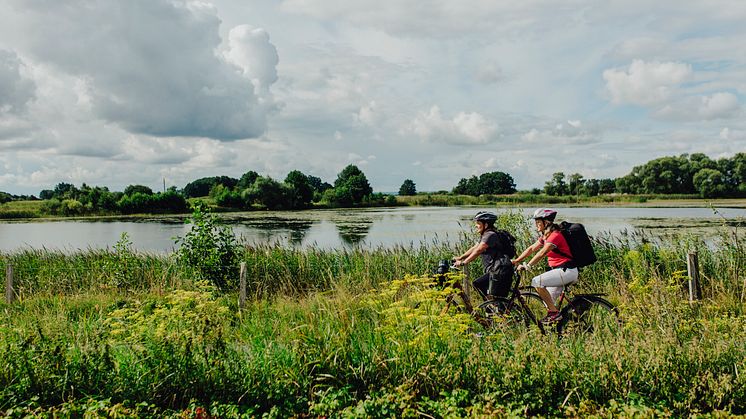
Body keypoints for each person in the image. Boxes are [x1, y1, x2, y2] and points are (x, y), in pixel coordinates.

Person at [511, 208, 578, 323]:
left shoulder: (555, 235)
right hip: (560, 272)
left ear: (546, 222)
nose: (536, 225)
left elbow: (542, 252)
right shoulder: (546, 236)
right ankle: (559, 325)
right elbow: (532, 248)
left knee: (537, 282)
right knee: (547, 302)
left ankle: (555, 314)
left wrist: (528, 265)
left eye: (538, 222)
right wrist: (516, 260)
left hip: (567, 271)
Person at [453, 211, 511, 299]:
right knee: (492, 294)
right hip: (495, 270)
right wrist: (461, 257)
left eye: (478, 223)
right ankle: (491, 306)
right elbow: (475, 248)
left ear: (486, 225)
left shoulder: (490, 235)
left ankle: (492, 306)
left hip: (499, 270)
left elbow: (479, 250)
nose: (476, 225)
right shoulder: (485, 235)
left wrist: (464, 262)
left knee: (478, 284)